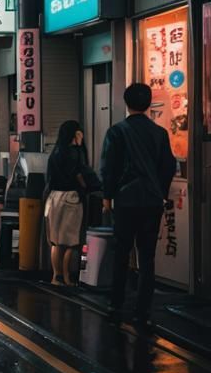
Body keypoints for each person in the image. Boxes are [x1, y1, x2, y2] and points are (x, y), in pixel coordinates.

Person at [100, 83, 176, 330]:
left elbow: (108, 168)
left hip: (126, 201)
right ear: (148, 104)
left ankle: (115, 306)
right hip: (152, 202)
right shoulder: (160, 133)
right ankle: (142, 312)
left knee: (121, 254)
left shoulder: (117, 132)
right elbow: (168, 166)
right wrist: (161, 193)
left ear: (126, 102)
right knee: (147, 257)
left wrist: (107, 196)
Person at [45, 120, 100, 287]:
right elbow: (80, 175)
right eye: (80, 132)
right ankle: (68, 278)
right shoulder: (75, 152)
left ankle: (56, 277)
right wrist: (89, 187)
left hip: (54, 198)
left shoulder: (55, 152)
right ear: (75, 134)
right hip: (71, 198)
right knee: (71, 242)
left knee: (56, 241)